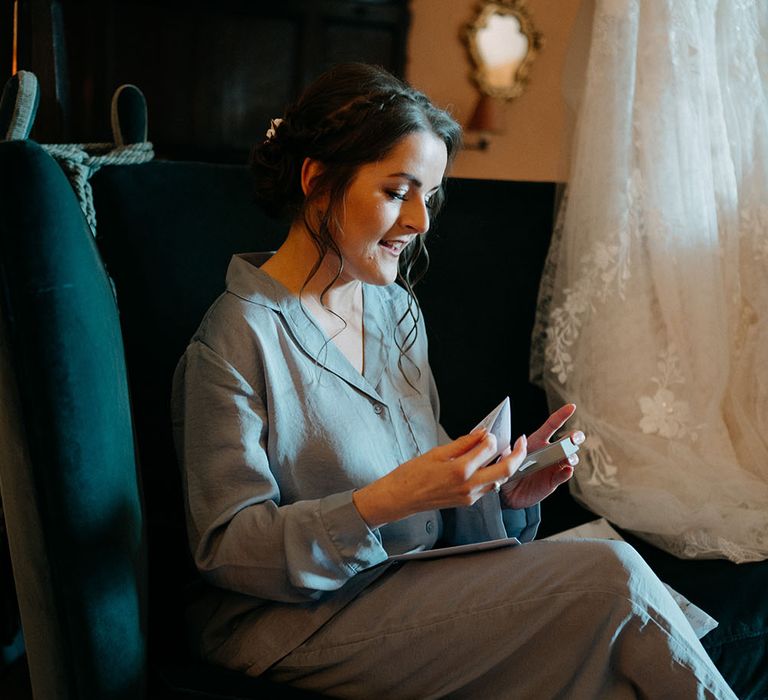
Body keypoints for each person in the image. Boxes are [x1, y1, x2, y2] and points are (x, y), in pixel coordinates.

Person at [171, 63, 736, 698]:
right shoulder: (235, 338)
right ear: (317, 181)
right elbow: (226, 550)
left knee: (616, 665)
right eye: (397, 191)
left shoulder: (393, 311)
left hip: (415, 588)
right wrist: (385, 501)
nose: (421, 221)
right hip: (299, 626)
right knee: (612, 578)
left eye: (429, 196)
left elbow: (430, 499)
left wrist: (501, 492)